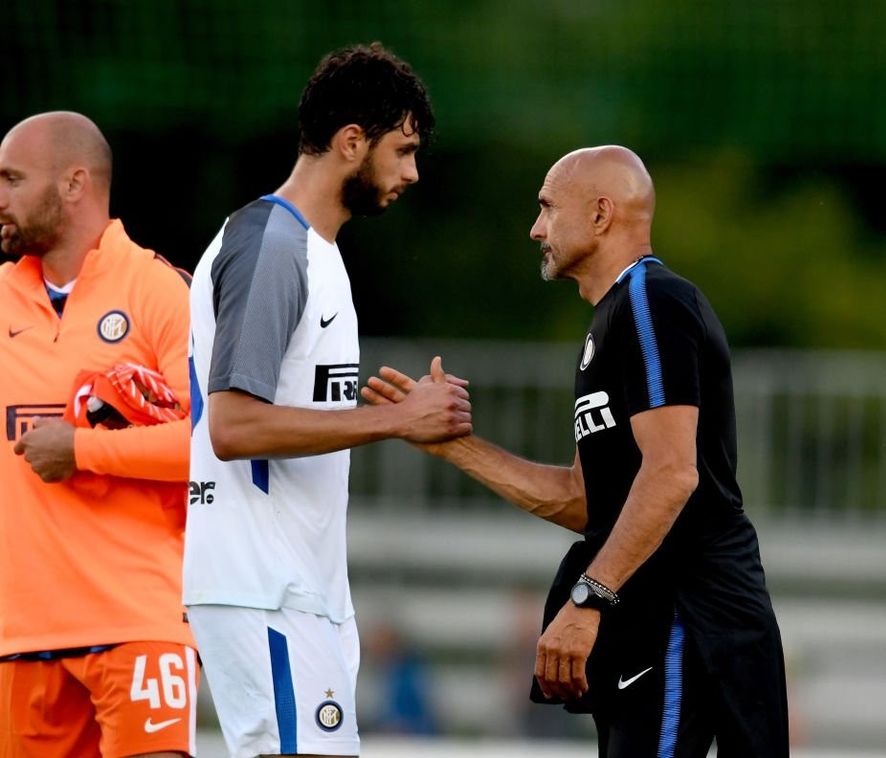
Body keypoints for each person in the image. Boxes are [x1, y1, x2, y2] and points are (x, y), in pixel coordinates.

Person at [363, 146, 790, 757]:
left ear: (600, 214)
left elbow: (672, 474)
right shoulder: (610, 318)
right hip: (650, 620)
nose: (535, 228)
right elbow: (582, 498)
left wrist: (587, 600)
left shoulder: (651, 301)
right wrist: (454, 447)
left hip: (684, 620)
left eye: (546, 208)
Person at [183, 43, 472, 758]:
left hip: (298, 592)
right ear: (351, 143)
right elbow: (233, 423)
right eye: (402, 150)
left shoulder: (314, 251)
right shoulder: (273, 245)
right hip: (264, 588)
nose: (412, 171)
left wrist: (380, 413)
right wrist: (396, 420)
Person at [0, 112, 198, 758]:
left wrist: (82, 448)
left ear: (74, 183)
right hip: (18, 634)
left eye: (12, 179)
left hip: (139, 619)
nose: (0, 197)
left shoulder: (160, 292)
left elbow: (210, 445)